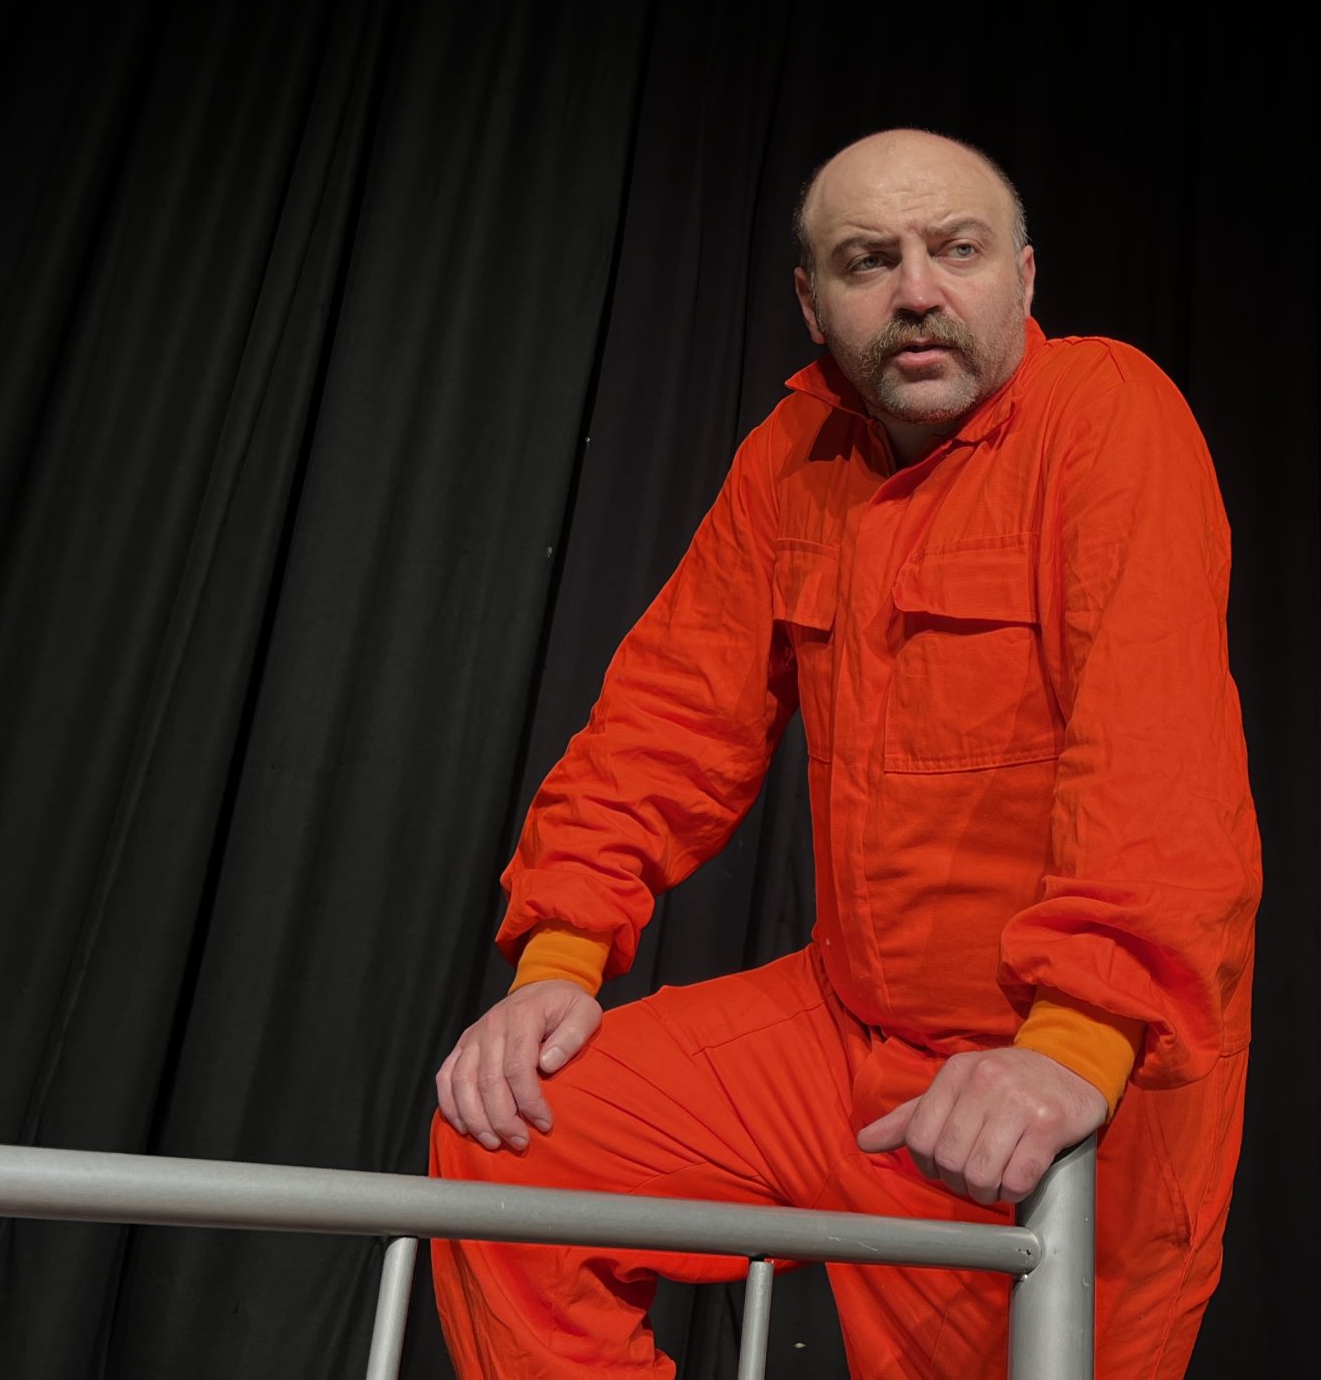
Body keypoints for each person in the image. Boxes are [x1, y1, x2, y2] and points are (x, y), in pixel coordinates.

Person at [429, 128, 1261, 1377]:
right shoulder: (794, 455)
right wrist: (560, 957)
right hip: (843, 1035)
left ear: (1024, 277)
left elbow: (1158, 764)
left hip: (1065, 1065)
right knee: (515, 1134)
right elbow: (666, 720)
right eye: (870, 261)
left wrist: (1073, 1049)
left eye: (956, 250)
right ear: (814, 303)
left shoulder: (1106, 415)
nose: (917, 290)